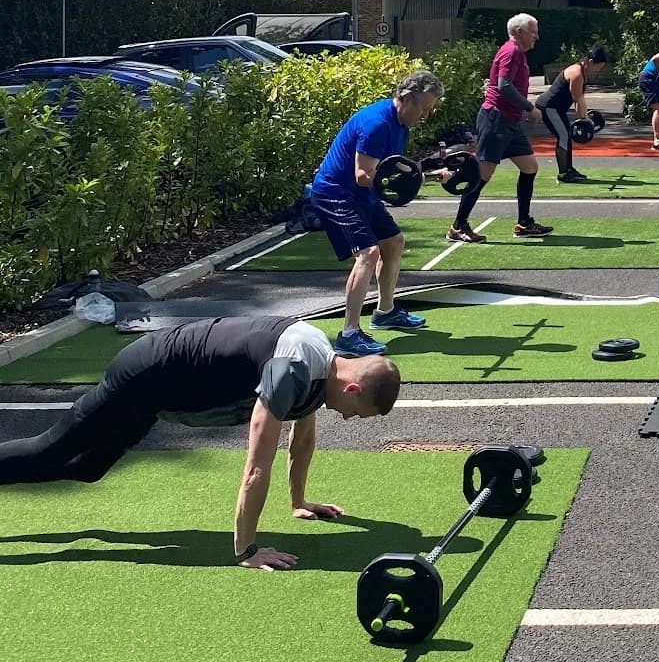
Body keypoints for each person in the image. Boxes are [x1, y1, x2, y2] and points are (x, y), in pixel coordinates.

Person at [0, 316, 401, 572]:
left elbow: (304, 435)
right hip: (145, 371)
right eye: (355, 412)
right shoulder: (291, 370)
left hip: (163, 390)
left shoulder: (324, 368)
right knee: (50, 449)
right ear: (351, 388)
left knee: (90, 469)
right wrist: (246, 551)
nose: (348, 418)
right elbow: (256, 468)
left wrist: (299, 501)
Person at [311, 70, 449, 358]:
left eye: (429, 108)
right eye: (423, 107)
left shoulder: (400, 124)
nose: (426, 114)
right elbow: (363, 175)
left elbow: (392, 168)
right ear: (407, 98)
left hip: (361, 194)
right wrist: (413, 180)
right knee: (368, 254)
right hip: (337, 193)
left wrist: (431, 174)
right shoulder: (377, 124)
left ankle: (385, 312)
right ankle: (348, 334)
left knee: (393, 242)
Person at [446, 13, 553, 244]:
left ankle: (524, 223)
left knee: (530, 167)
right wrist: (529, 107)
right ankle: (457, 226)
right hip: (496, 120)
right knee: (481, 175)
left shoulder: (518, 53)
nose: (537, 36)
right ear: (519, 32)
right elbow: (503, 86)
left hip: (510, 122)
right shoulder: (511, 51)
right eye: (533, 31)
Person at [535, 47, 607, 182]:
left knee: (566, 136)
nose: (599, 70)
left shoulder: (583, 72)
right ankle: (563, 173)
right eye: (599, 66)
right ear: (591, 61)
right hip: (548, 107)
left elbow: (581, 98)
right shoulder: (577, 74)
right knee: (563, 136)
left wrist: (586, 116)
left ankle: (569, 169)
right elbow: (577, 100)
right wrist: (585, 120)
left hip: (557, 109)